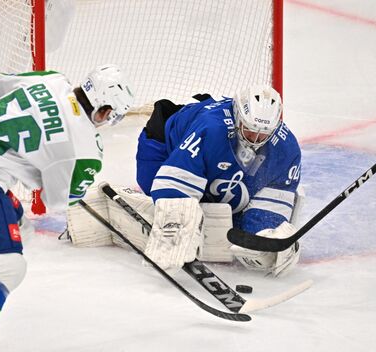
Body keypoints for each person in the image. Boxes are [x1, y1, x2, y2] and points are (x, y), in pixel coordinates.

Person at [0, 64, 134, 351]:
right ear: (105, 111)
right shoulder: (85, 148)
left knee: (19, 223)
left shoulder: (52, 79)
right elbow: (57, 201)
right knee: (8, 266)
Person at [66, 85, 303, 278]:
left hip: (212, 153)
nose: (256, 139)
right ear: (238, 116)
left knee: (224, 211)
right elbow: (174, 185)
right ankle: (116, 205)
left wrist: (265, 238)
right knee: (166, 204)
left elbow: (271, 204)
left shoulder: (286, 147)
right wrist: (174, 224)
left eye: (263, 134)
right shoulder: (212, 128)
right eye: (250, 131)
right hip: (161, 146)